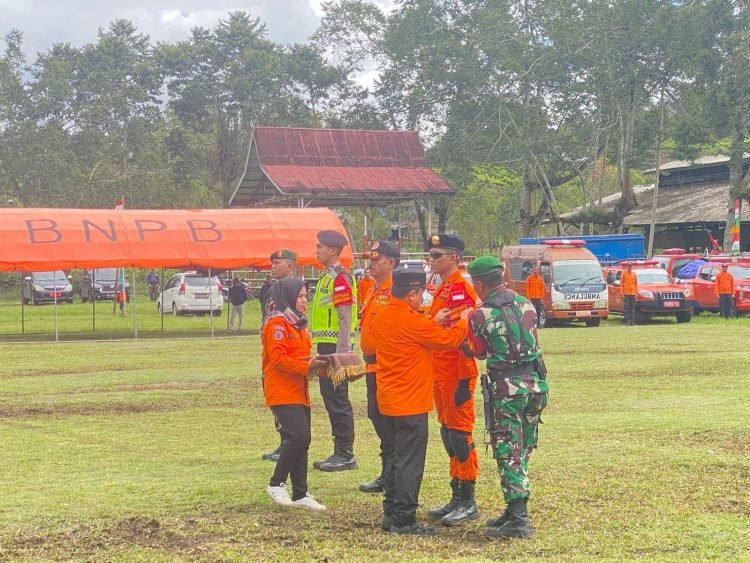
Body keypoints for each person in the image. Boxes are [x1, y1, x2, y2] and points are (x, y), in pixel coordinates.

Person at [371, 268, 470, 536]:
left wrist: (431, 318)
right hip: (411, 403)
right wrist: (465, 320)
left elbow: (405, 335)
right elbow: (448, 340)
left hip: (388, 400)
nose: (422, 298)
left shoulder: (382, 317)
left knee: (393, 458)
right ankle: (405, 519)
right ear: (412, 294)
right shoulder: (412, 321)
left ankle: (391, 513)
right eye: (421, 294)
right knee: (409, 462)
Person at [465, 256, 549, 539]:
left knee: (508, 451)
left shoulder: (480, 314)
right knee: (522, 448)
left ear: (478, 283)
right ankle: (513, 508)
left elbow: (478, 351)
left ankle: (518, 519)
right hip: (536, 386)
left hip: (507, 390)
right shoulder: (525, 303)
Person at [425, 233, 480, 526]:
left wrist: (463, 380)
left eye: (437, 256)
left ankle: (468, 500)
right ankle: (456, 495)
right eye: (430, 255)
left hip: (457, 373)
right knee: (448, 433)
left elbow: (464, 338)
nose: (430, 260)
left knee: (460, 434)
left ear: (454, 258)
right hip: (440, 372)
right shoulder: (442, 288)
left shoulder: (459, 290)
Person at [263, 276, 328, 511]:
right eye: (300, 296)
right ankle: (276, 483)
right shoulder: (277, 325)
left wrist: (319, 364)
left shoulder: (298, 324)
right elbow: (279, 360)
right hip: (281, 391)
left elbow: (299, 357)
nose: (305, 300)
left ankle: (300, 493)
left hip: (299, 391)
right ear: (288, 297)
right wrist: (307, 366)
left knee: (303, 441)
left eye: (305, 295)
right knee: (298, 437)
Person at [310, 230, 358, 472]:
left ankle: (345, 453)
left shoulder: (340, 278)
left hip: (335, 347)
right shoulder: (326, 277)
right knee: (330, 397)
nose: (316, 250)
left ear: (334, 251)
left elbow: (345, 316)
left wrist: (341, 353)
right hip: (326, 346)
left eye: (321, 246)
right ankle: (339, 450)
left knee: (337, 398)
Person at [358, 241, 400, 494]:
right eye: (370, 260)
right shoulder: (375, 289)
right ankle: (387, 472)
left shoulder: (396, 290)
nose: (371, 264)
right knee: (377, 417)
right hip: (372, 365)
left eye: (377, 260)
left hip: (386, 366)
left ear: (391, 263)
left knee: (387, 421)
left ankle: (392, 474)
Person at [261, 249, 299, 462]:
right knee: (273, 395)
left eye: (277, 262)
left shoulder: (293, 290)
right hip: (270, 348)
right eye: (272, 262)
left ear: (290, 266)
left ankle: (288, 442)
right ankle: (284, 440)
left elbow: (295, 319)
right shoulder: (274, 288)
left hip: (285, 348)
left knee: (283, 396)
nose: (273, 266)